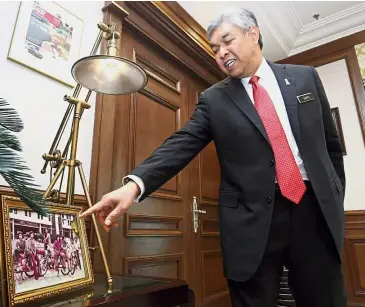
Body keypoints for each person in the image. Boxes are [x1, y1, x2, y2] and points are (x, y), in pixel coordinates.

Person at [80, 7, 346, 307]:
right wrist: (133, 186)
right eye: (215, 48)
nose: (221, 53)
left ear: (253, 33)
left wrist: (333, 198)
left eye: (227, 41)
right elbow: (182, 143)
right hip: (252, 220)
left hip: (311, 211)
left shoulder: (304, 78)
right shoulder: (215, 99)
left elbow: (331, 147)